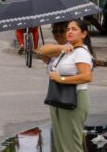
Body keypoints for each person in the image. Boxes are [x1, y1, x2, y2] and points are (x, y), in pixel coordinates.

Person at [39, 19, 95, 152]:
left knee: (71, 144)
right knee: (61, 143)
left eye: (74, 29)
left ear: (83, 34)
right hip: (59, 98)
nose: (70, 31)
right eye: (68, 29)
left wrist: (61, 78)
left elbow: (87, 76)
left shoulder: (80, 52)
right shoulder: (67, 49)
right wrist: (61, 47)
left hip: (73, 99)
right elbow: (43, 50)